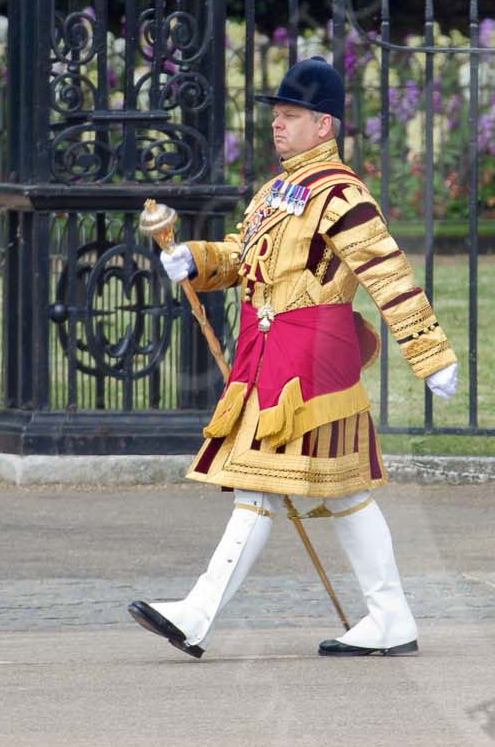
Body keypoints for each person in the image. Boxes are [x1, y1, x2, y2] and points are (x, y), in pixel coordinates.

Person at [127, 57, 459, 659]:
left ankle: (198, 613)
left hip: (311, 364)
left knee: (262, 485)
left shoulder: (342, 194)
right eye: (276, 116)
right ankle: (391, 618)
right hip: (272, 355)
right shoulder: (275, 191)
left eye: (290, 116)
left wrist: (429, 352)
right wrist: (197, 261)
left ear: (324, 126)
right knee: (344, 492)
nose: (277, 126)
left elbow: (387, 272)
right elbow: (242, 256)